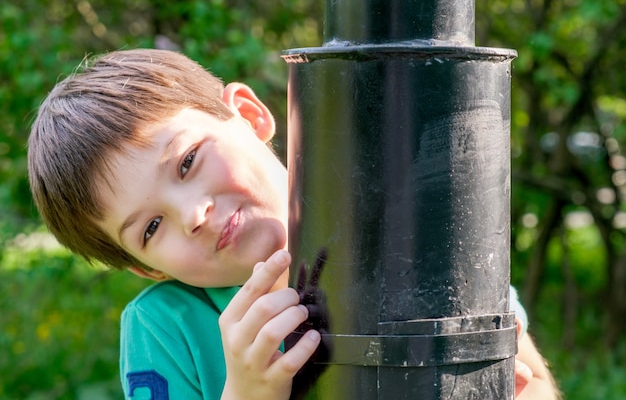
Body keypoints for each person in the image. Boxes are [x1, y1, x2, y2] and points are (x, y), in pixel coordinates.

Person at [28, 48, 559, 400]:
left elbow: (533, 386)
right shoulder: (165, 328)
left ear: (252, 116)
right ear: (146, 269)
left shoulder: (416, 244)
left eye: (188, 161)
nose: (193, 216)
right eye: (149, 229)